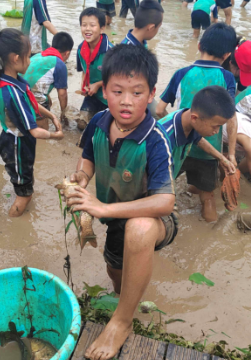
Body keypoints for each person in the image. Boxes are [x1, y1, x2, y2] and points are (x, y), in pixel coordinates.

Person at [69, 44, 176, 360]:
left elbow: (166, 201)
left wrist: (102, 208)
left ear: (152, 93)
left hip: (153, 218)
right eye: (117, 91)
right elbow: (87, 158)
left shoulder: (155, 139)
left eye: (137, 93)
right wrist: (81, 179)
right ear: (105, 91)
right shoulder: (99, 121)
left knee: (139, 231)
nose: (127, 101)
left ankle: (123, 321)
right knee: (115, 269)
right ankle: (125, 297)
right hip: (115, 217)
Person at [0, 28, 64, 217]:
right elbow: (34, 131)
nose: (31, 60)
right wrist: (55, 136)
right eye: (28, 55)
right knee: (25, 194)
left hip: (16, 141)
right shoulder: (12, 93)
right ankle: (12, 225)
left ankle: (22, 189)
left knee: (24, 180)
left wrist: (51, 115)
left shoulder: (14, 80)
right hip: (15, 146)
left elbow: (32, 102)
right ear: (16, 58)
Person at [157, 23, 238, 222]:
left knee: (163, 191)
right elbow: (231, 118)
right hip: (208, 150)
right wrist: (232, 154)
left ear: (200, 45)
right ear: (227, 55)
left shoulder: (181, 73)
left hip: (179, 146)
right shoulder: (227, 77)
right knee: (207, 198)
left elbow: (159, 109)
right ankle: (211, 234)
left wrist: (173, 123)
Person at [159, 86, 237, 182]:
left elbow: (198, 139)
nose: (217, 131)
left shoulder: (188, 118)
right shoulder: (164, 140)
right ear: (194, 118)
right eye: (215, 126)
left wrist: (221, 158)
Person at [24, 32, 74, 130]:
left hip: (18, 93)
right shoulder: (59, 64)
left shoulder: (38, 56)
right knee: (43, 135)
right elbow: (62, 94)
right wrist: (64, 115)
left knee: (49, 102)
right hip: (33, 99)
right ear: (67, 53)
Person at [77, 7, 113, 131]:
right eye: (84, 25)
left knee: (102, 129)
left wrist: (97, 85)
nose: (87, 29)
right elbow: (83, 70)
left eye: (92, 25)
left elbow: (118, 78)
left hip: (108, 97)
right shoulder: (80, 49)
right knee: (82, 124)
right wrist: (84, 85)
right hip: (91, 95)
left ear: (102, 28)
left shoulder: (110, 52)